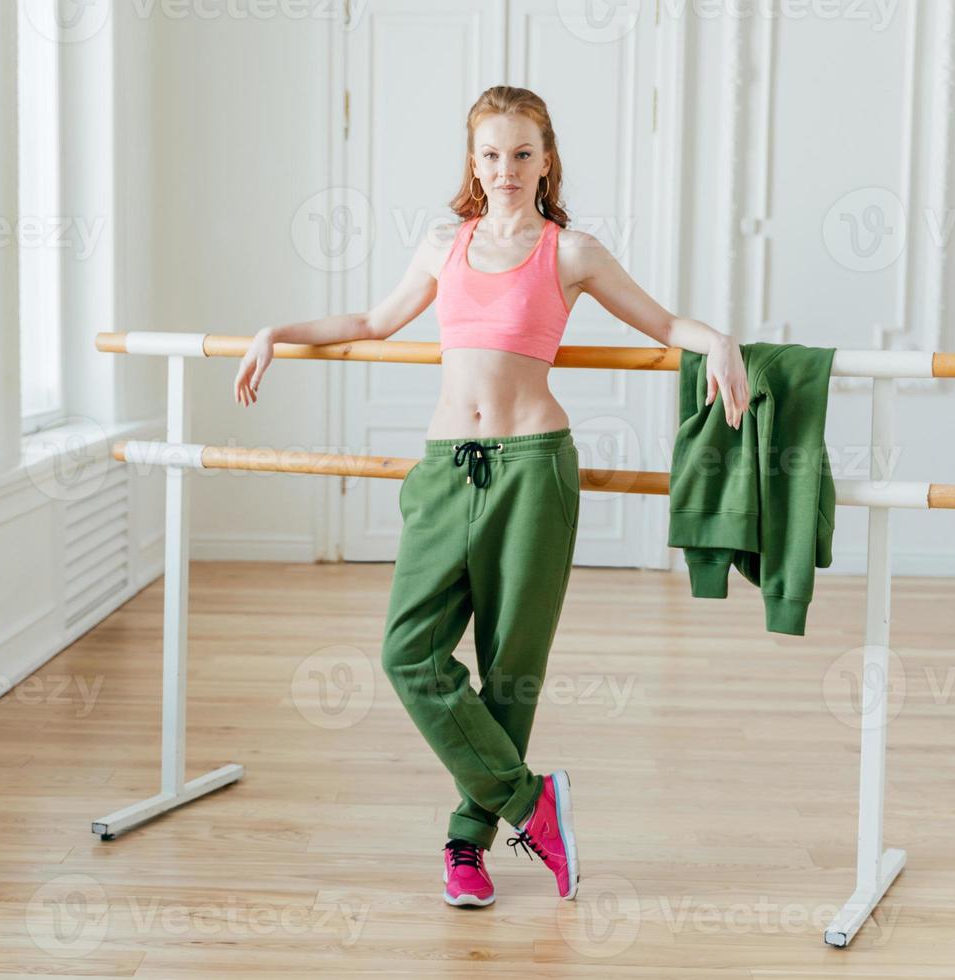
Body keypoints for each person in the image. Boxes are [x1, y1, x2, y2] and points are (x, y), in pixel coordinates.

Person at [235, 86, 748, 908]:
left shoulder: (570, 252)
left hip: (533, 471)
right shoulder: (444, 245)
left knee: (509, 675)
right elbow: (373, 319)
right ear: (470, 161)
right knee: (410, 654)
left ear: (546, 159)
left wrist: (718, 341)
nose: (504, 169)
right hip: (445, 470)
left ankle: (466, 846)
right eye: (489, 154)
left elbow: (661, 323)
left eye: (520, 153)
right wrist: (276, 333)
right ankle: (532, 805)